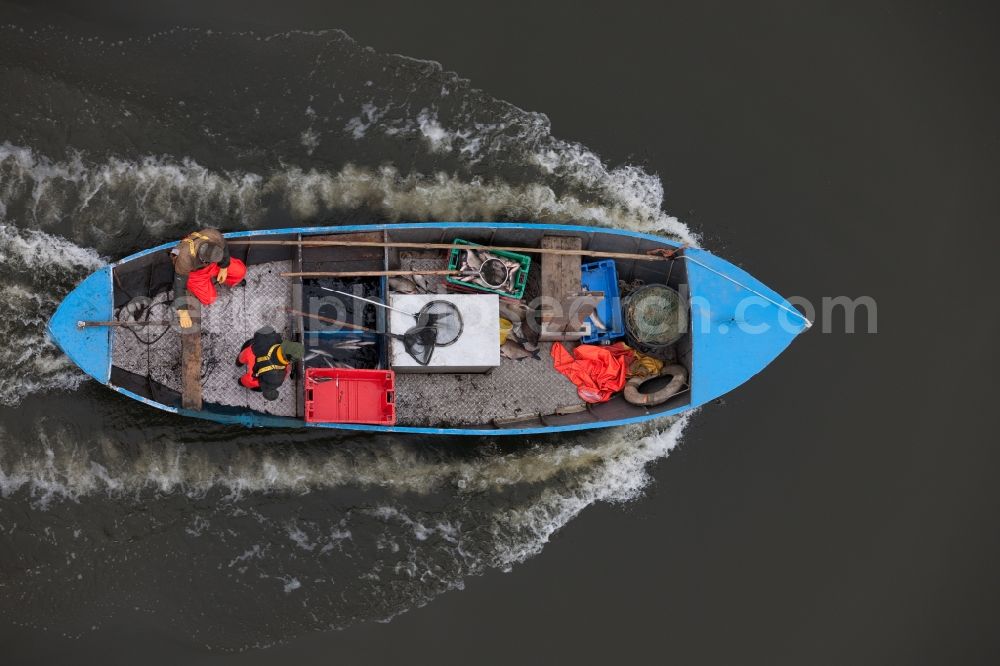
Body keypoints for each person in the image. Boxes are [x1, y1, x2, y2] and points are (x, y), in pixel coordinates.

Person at [171, 228, 247, 329]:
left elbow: (224, 249)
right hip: (195, 274)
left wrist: (223, 267)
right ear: (203, 259)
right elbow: (179, 285)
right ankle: (194, 287)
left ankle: (226, 279)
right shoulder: (185, 258)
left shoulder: (214, 235)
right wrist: (183, 312)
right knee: (209, 299)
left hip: (213, 264)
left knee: (240, 271)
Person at [236, 325, 304, 401]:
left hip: (249, 353)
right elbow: (269, 394)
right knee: (251, 382)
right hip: (254, 374)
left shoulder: (272, 336)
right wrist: (274, 394)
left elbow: (263, 331)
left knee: (244, 355)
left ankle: (238, 362)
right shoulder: (276, 379)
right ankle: (240, 382)